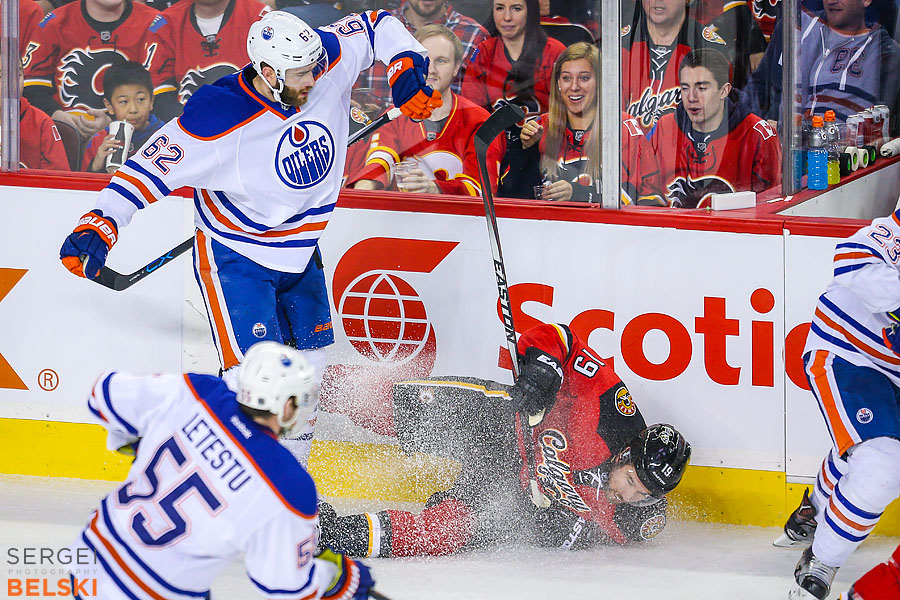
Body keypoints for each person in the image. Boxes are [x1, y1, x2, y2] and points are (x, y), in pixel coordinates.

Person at [58, 10, 442, 465]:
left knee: (310, 368)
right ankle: (235, 476)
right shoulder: (217, 116)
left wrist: (404, 64)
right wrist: (101, 223)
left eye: (315, 65)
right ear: (267, 72)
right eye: (301, 72)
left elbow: (377, 24)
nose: (315, 77)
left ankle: (291, 481)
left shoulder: (323, 59)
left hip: (301, 249)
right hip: (235, 254)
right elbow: (146, 170)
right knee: (254, 380)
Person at [317, 322, 692, 557]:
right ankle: (303, 381)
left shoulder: (635, 518)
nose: (628, 496)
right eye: (630, 481)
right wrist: (544, 369)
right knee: (392, 406)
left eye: (644, 494)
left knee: (444, 533)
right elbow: (560, 337)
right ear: (625, 453)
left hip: (505, 485)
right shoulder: (611, 411)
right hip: (503, 421)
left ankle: (332, 533)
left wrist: (546, 522)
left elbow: (571, 535)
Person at [66, 341, 375, 600]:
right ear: (284, 406)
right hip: (156, 591)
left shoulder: (198, 392)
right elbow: (284, 587)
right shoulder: (288, 482)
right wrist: (337, 577)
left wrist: (137, 440)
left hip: (90, 554)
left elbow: (102, 393)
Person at [777, 209, 900, 599]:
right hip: (849, 356)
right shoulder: (894, 233)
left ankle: (814, 507)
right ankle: (822, 561)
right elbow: (849, 261)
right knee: (882, 466)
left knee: (868, 446)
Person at [349, 25, 504, 196]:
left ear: (456, 67)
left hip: (461, 221)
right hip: (401, 218)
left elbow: (483, 190)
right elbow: (378, 163)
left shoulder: (481, 121)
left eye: (441, 61)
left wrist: (435, 189)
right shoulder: (394, 116)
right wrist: (362, 191)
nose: (431, 70)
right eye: (425, 60)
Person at [639, 48, 781, 208]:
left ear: (724, 91)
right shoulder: (663, 128)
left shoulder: (758, 135)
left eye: (702, 88)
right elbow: (645, 194)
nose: (691, 98)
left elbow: (769, 207)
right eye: (685, 88)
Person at [748, 1, 900, 132]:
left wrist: (787, 131)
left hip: (837, 159)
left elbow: (875, 134)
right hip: (779, 154)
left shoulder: (883, 52)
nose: (832, 1)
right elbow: (757, 89)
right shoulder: (795, 27)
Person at [23, 0, 161, 140]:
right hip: (63, 139)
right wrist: (56, 115)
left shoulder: (155, 25)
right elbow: (32, 85)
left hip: (138, 142)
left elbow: (163, 96)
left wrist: (114, 124)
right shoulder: (54, 23)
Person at [621, 0, 738, 132]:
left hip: (689, 151)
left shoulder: (710, 49)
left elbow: (718, 127)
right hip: (626, 150)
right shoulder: (618, 45)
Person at [147, 0, 270, 121]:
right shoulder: (165, 24)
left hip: (252, 123)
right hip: (189, 129)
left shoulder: (261, 18)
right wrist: (192, 124)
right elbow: (160, 91)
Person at [354, 0, 488, 109]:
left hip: (444, 137)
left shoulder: (474, 36)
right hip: (377, 137)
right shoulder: (374, 28)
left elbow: (476, 109)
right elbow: (352, 95)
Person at [82, 62, 165, 172]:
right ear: (109, 106)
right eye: (124, 102)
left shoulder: (165, 135)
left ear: (151, 101)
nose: (133, 109)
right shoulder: (99, 141)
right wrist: (96, 166)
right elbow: (82, 186)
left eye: (140, 99)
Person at [5, 62, 70, 170]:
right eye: (1, 75)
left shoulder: (42, 123)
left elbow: (56, 180)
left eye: (17, 74)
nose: (10, 83)